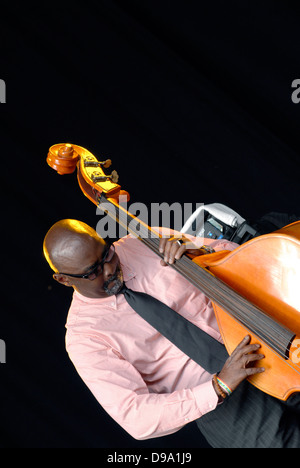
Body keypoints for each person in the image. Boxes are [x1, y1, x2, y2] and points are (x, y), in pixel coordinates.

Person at [43, 219, 300, 448]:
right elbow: (135, 416)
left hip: (267, 343)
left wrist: (203, 254)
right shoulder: (84, 338)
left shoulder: (145, 241)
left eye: (107, 254)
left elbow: (246, 261)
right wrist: (219, 386)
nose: (109, 270)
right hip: (223, 406)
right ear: (64, 280)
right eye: (93, 272)